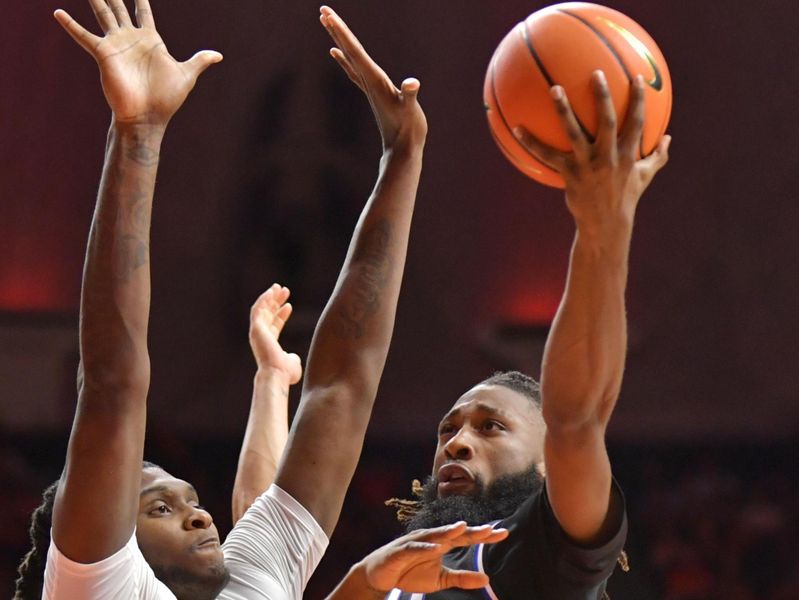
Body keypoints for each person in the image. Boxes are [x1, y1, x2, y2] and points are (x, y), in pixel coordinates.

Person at [37, 0, 497, 598]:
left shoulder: (254, 575)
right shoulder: (99, 587)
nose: (201, 517)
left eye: (190, 503)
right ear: (100, 533)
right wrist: (137, 132)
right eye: (159, 510)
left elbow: (341, 386)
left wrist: (401, 158)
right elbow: (112, 386)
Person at [383, 72, 672, 598]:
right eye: (448, 431)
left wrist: (602, 229)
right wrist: (271, 383)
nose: (458, 445)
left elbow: (577, 420)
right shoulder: (396, 576)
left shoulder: (541, 557)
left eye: (491, 427)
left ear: (547, 464)